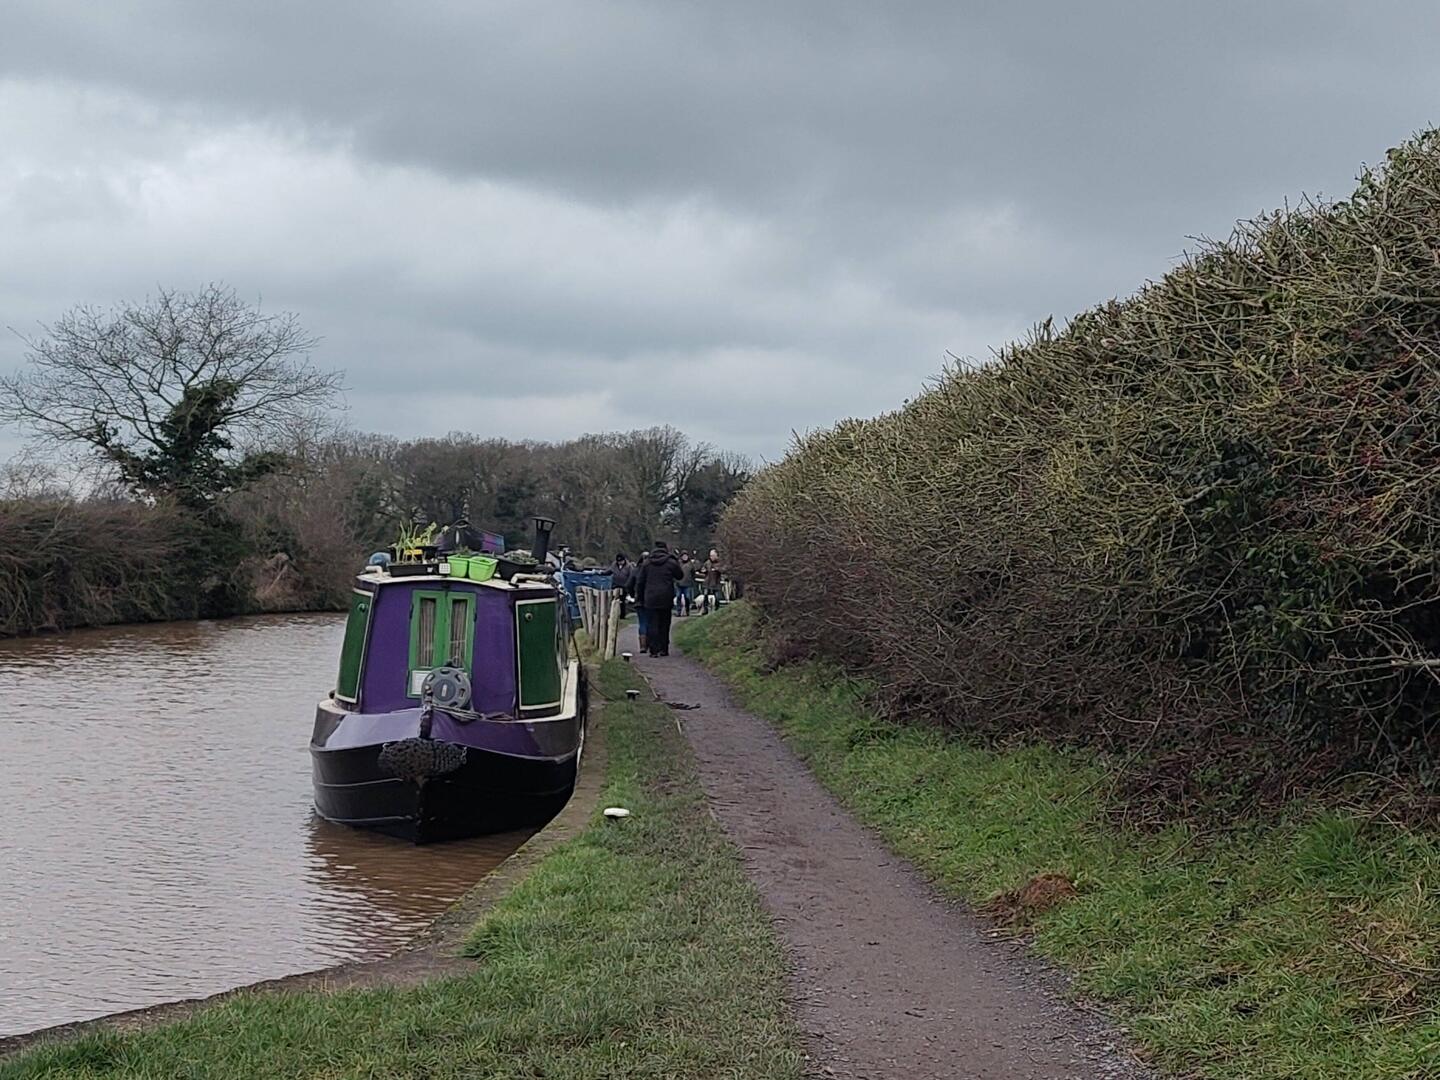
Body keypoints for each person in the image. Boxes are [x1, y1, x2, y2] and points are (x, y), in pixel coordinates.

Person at [634, 541, 683, 656]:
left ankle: (653, 650)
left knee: (652, 623)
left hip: (650, 597)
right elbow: (680, 575)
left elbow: (640, 582)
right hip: (666, 596)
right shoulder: (670, 562)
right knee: (664, 623)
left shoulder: (647, 563)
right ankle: (664, 648)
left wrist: (639, 597)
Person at [611, 553, 633, 618]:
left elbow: (631, 576)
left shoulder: (629, 566)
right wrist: (601, 573)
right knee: (614, 600)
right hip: (615, 585)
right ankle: (614, 613)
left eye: (621, 561)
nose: (620, 563)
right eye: (618, 561)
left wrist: (629, 585)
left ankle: (622, 615)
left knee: (622, 601)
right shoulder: (614, 565)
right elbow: (609, 571)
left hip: (624, 586)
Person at [702, 548, 724, 612]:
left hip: (716, 582)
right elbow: (703, 569)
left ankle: (717, 609)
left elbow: (723, 570)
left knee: (717, 597)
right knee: (705, 596)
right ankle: (705, 609)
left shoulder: (720, 563)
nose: (712, 557)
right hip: (707, 582)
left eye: (713, 555)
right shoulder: (707, 562)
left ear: (716, 555)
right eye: (711, 556)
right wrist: (704, 570)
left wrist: (717, 569)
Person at [675, 551, 696, 616]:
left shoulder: (690, 564)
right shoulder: (678, 563)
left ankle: (687, 610)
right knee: (678, 597)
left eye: (686, 556)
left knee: (687, 598)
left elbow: (693, 573)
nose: (685, 557)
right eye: (683, 556)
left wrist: (692, 580)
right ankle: (678, 611)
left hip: (687, 584)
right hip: (679, 583)